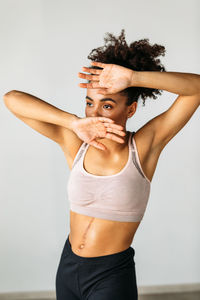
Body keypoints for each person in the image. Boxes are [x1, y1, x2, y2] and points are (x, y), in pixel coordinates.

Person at [3, 29, 200, 300]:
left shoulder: (143, 146)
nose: (94, 113)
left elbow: (196, 88)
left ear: (129, 110)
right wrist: (72, 122)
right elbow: (11, 99)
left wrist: (133, 77)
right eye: (89, 103)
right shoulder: (75, 142)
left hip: (111, 275)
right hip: (68, 267)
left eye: (107, 106)